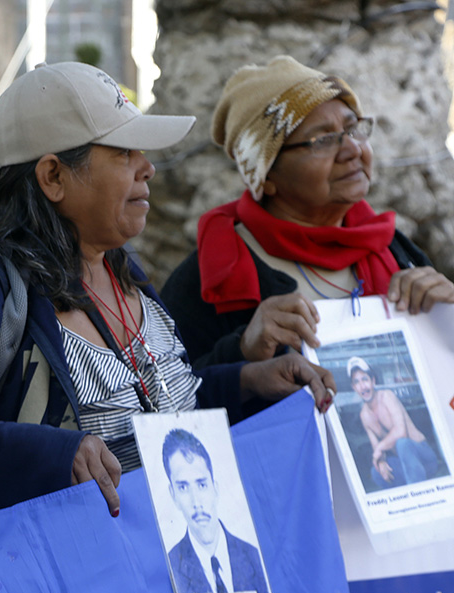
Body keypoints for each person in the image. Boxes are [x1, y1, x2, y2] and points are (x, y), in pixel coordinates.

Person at [0, 62, 334, 512]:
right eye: (124, 152)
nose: (147, 168)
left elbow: (151, 421)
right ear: (53, 176)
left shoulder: (119, 269)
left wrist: (244, 383)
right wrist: (53, 455)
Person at [161, 56, 454, 371]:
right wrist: (243, 350)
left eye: (353, 128)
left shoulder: (394, 250)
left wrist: (447, 316)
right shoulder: (210, 276)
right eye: (324, 140)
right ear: (267, 176)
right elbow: (172, 398)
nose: (353, 149)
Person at [162, 428, 272, 593]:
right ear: (173, 496)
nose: (197, 502)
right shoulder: (169, 567)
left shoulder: (254, 556)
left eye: (202, 484)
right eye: (183, 487)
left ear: (215, 488)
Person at [347, 357, 438, 489]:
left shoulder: (387, 396)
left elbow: (401, 432)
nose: (362, 386)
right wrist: (382, 462)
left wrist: (379, 448)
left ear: (373, 381)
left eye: (365, 379)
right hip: (406, 464)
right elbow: (376, 448)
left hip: (425, 459)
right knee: (376, 472)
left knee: (402, 444)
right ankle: (406, 497)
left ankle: (419, 492)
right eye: (357, 382)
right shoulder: (364, 415)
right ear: (354, 387)